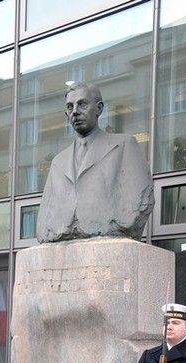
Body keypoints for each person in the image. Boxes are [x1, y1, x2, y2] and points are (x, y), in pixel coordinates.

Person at [36, 81, 154, 243]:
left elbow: (138, 203)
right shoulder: (58, 162)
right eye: (70, 107)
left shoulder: (124, 145)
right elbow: (45, 220)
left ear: (99, 108)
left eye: (82, 104)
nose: (75, 112)